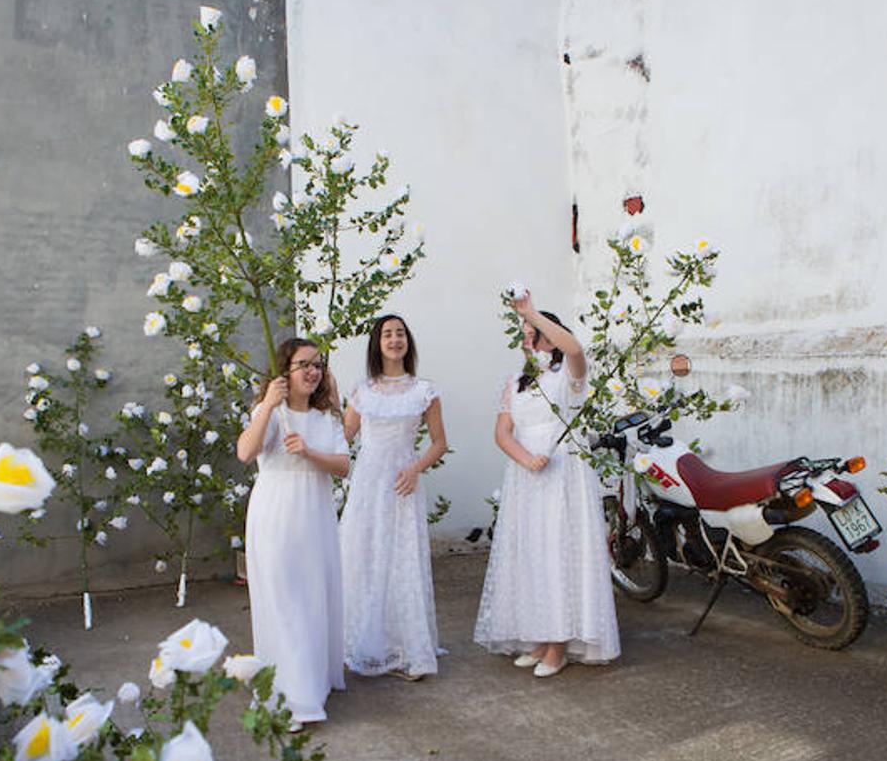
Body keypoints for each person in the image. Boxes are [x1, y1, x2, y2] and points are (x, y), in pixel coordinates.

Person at [473, 290, 620, 676]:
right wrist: (526, 459)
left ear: (548, 337)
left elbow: (574, 348)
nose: (526, 339)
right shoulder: (515, 382)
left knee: (559, 552)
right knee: (532, 555)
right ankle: (539, 637)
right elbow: (503, 432)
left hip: (563, 474)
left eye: (532, 332)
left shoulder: (567, 377)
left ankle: (559, 644)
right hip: (528, 476)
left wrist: (532, 313)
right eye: (525, 332)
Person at [236, 338, 349, 725]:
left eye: (318, 365)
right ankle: (294, 697)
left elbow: (342, 465)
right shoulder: (270, 413)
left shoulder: (327, 418)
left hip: (315, 515)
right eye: (304, 364)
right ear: (285, 371)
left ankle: (312, 681)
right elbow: (245, 452)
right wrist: (267, 404)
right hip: (276, 515)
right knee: (284, 601)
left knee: (313, 599)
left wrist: (309, 452)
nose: (313, 371)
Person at [339, 315, 449, 680]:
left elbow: (439, 443)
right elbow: (344, 437)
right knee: (364, 556)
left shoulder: (424, 390)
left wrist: (416, 468)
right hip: (368, 483)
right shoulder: (362, 390)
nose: (395, 339)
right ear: (377, 343)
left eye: (400, 333)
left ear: (408, 341)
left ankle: (405, 648)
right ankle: (364, 643)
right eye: (387, 334)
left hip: (404, 482)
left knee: (402, 560)